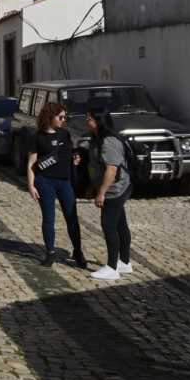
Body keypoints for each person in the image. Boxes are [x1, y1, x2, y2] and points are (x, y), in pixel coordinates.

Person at [26, 102, 86, 268]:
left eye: (64, 117)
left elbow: (67, 153)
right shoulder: (37, 138)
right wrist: (31, 185)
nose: (63, 120)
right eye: (60, 117)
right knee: (49, 218)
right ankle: (50, 253)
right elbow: (32, 163)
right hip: (45, 182)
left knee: (72, 217)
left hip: (65, 181)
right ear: (50, 117)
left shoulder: (65, 134)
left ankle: (78, 251)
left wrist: (75, 158)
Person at [84, 107, 132, 280]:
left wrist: (101, 193)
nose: (86, 121)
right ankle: (125, 262)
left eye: (88, 118)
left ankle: (112, 267)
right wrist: (92, 186)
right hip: (109, 187)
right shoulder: (96, 139)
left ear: (99, 121)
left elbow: (111, 169)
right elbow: (95, 164)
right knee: (120, 224)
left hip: (115, 189)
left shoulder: (109, 141)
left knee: (109, 225)